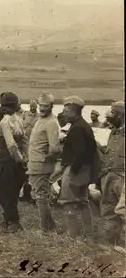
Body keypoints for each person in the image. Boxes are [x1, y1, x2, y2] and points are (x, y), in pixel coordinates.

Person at [59, 96, 97, 239]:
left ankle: (72, 235)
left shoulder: (77, 128)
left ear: (73, 111)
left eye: (65, 111)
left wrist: (72, 170)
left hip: (76, 169)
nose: (63, 114)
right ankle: (88, 233)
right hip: (85, 170)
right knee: (82, 201)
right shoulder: (84, 125)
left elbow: (80, 152)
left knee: (68, 201)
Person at [0, 92, 28, 233]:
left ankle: (13, 222)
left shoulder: (5, 122)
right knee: (11, 191)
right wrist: (25, 158)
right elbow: (24, 140)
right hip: (14, 161)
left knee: (4, 192)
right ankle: (8, 219)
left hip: (7, 162)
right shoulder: (18, 119)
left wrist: (19, 159)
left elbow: (11, 145)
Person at [27, 92, 61, 232]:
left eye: (45, 106)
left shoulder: (51, 123)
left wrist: (43, 159)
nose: (42, 108)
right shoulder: (41, 119)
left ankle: (44, 229)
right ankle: (51, 225)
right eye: (41, 105)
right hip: (34, 163)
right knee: (39, 195)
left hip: (41, 165)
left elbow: (54, 149)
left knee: (41, 197)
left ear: (52, 107)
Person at [99, 101, 124, 245]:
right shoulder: (113, 132)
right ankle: (110, 243)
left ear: (120, 116)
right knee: (108, 209)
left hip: (122, 177)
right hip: (108, 175)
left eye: (113, 113)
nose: (109, 115)